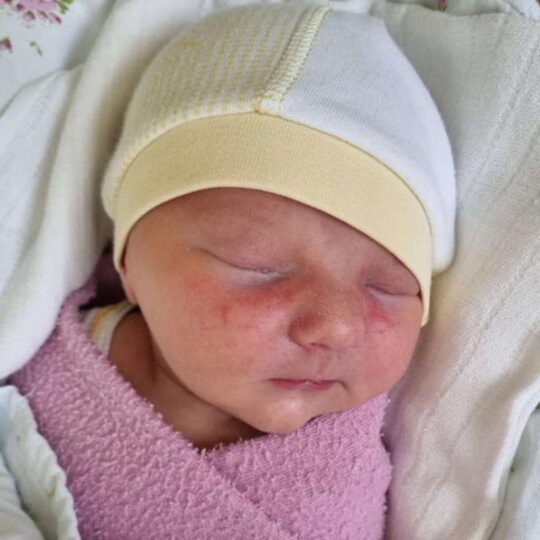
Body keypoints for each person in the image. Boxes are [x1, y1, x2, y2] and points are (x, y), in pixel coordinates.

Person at [9, 2, 456, 538]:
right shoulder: (39, 349)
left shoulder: (360, 457)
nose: (337, 326)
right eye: (258, 264)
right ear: (128, 262)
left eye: (388, 286)